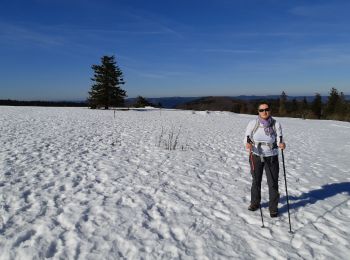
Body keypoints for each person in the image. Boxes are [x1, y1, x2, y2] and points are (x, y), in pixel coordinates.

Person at [244, 102, 286, 217]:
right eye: (261, 110)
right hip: (256, 155)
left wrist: (281, 144)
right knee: (256, 181)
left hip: (271, 155)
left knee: (273, 183)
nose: (264, 112)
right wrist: (248, 145)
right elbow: (247, 138)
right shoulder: (253, 123)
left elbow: (279, 138)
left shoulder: (276, 124)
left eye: (266, 109)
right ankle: (255, 203)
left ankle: (273, 208)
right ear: (258, 112)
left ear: (270, 110)